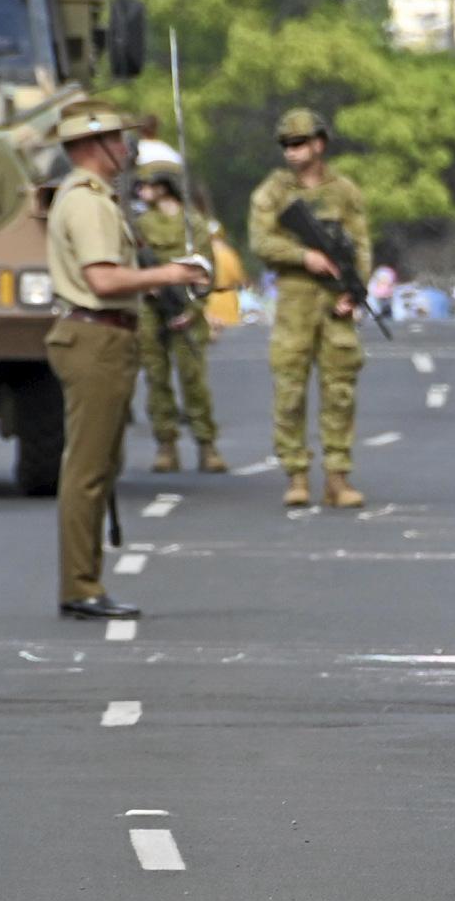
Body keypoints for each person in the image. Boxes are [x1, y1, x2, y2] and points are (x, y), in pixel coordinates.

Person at [45, 102, 210, 620]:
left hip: (101, 336)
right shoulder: (89, 202)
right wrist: (173, 275)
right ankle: (80, 584)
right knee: (88, 470)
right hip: (95, 337)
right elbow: (104, 280)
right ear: (94, 147)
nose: (127, 148)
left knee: (99, 465)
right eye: (118, 140)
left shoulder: (91, 197)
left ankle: (85, 580)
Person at [248, 108, 373, 510]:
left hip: (334, 300)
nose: (292, 152)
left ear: (319, 144)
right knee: (289, 389)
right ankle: (296, 474)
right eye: (286, 145)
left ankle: (337, 477)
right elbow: (261, 242)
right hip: (295, 297)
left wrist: (354, 290)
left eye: (299, 143)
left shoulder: (344, 192)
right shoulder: (273, 192)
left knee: (339, 389)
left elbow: (360, 245)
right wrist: (304, 256)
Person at [132, 161, 223, 476]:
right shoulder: (141, 225)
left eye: (147, 185)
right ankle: (166, 444)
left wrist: (193, 310)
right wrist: (149, 285)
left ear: (164, 186)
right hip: (150, 305)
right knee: (156, 377)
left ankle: (206, 443)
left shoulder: (193, 224)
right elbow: (132, 263)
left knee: (193, 378)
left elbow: (205, 271)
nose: (142, 191)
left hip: (186, 304)